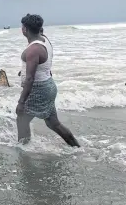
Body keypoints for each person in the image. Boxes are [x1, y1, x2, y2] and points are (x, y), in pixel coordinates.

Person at [16, 14, 80, 147]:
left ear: (25, 29)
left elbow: (30, 78)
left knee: (22, 119)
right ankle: (76, 146)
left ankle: (23, 150)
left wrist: (21, 102)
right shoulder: (44, 40)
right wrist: (25, 69)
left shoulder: (33, 49)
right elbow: (41, 65)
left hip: (38, 89)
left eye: (22, 26)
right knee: (53, 123)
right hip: (48, 85)